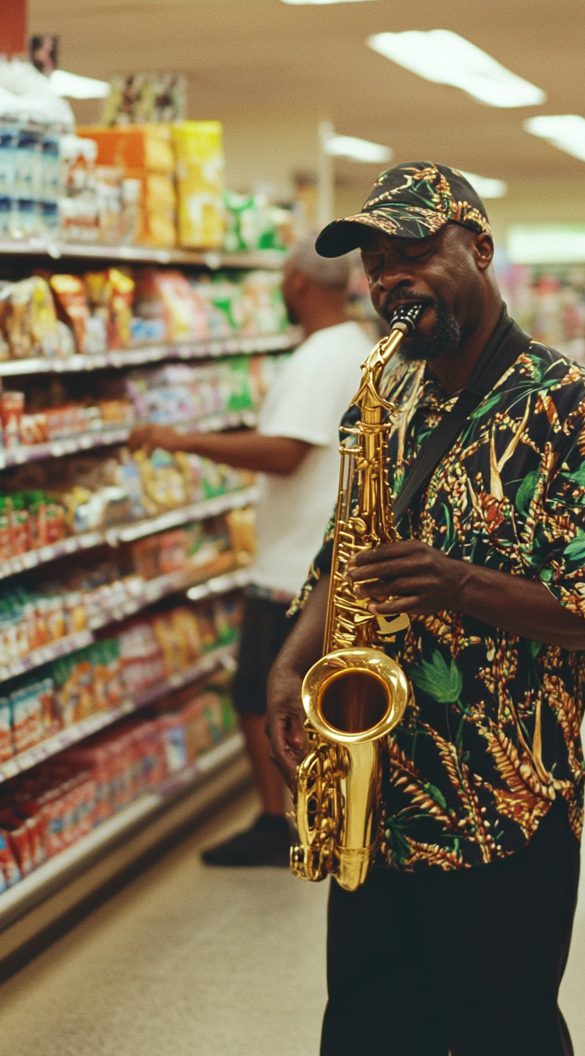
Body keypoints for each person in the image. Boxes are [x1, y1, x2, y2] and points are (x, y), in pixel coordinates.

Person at [266, 162, 585, 1056]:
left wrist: (457, 584)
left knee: (503, 1032)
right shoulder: (391, 391)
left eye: (412, 253)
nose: (389, 280)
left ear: (480, 250)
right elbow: (344, 549)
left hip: (506, 802)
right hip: (379, 784)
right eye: (375, 263)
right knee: (367, 1027)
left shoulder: (569, 407)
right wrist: (293, 661)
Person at [129, 237, 372, 866]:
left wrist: (182, 441)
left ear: (295, 282)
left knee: (262, 695)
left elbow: (285, 453)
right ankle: (313, 813)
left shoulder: (319, 357)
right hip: (317, 556)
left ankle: (280, 822)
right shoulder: (355, 346)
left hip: (294, 566)